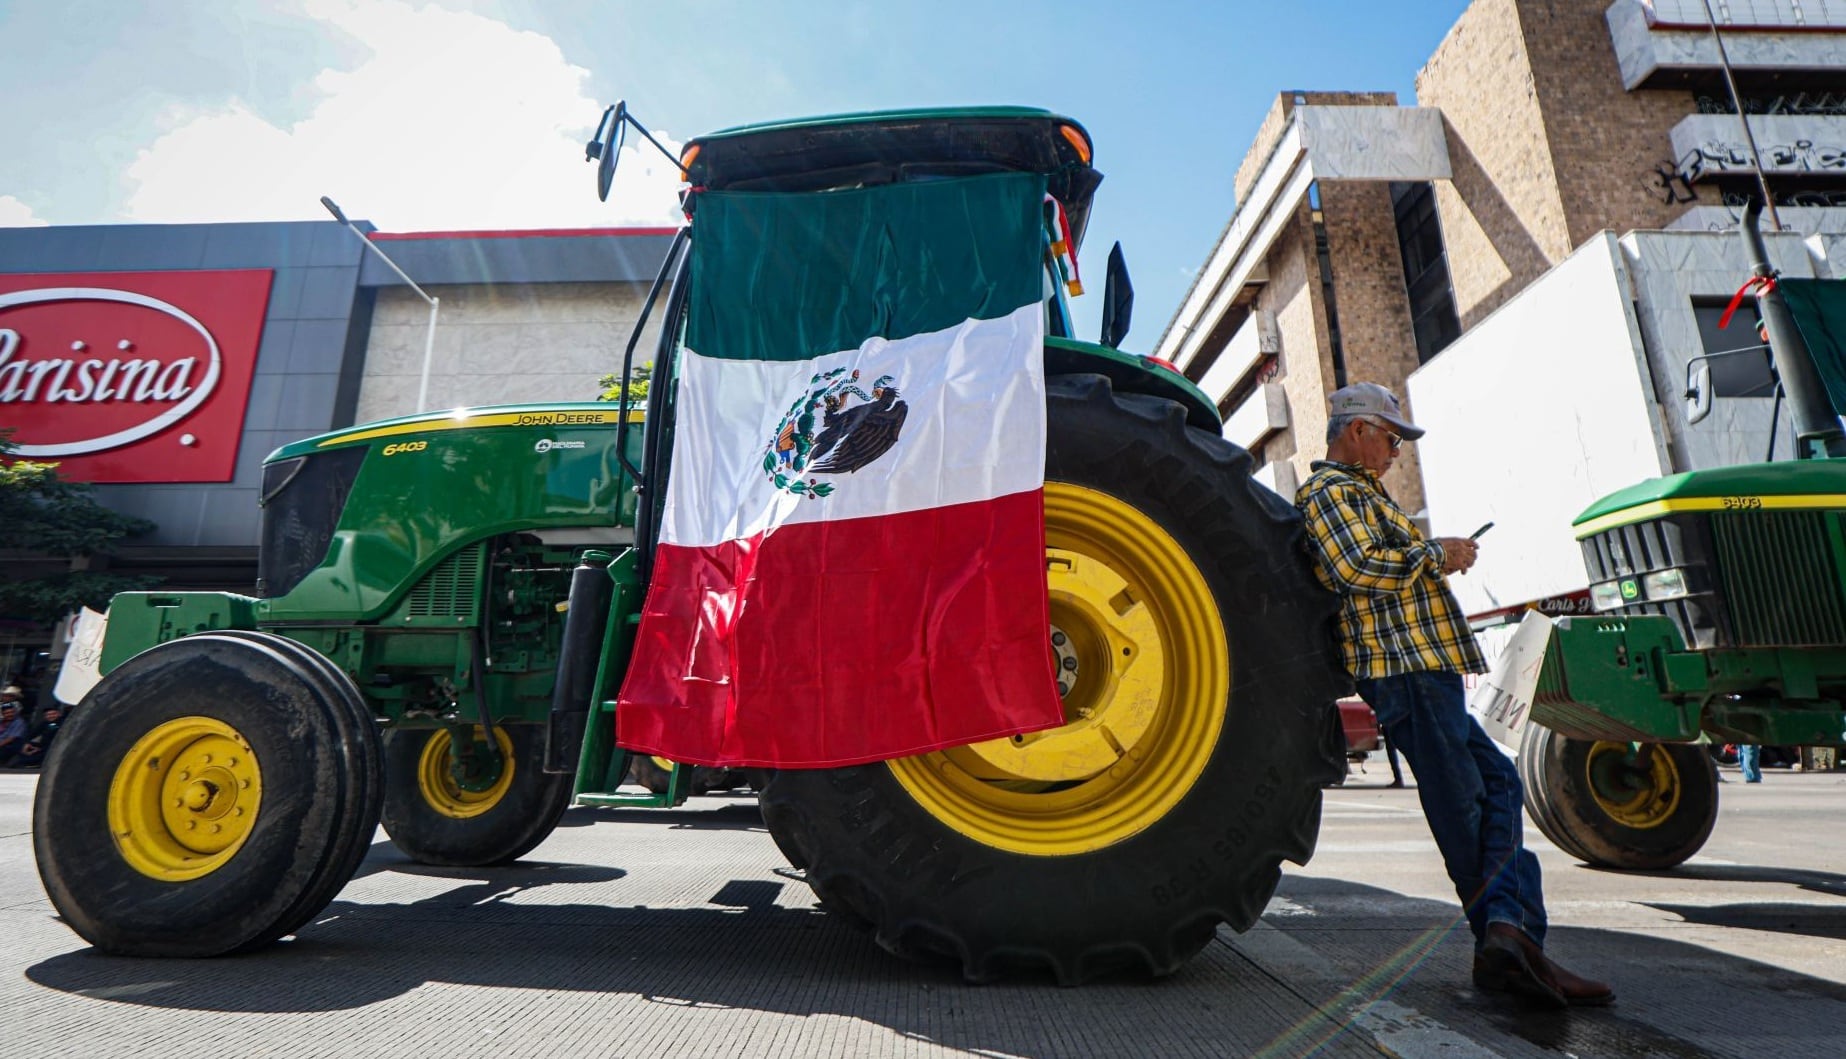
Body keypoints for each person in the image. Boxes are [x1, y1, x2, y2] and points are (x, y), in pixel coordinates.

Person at [1295, 382, 1613, 1009]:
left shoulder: (1361, 493)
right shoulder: (1329, 492)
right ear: (1357, 431)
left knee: (1495, 785)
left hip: (1424, 669)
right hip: (1405, 668)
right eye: (1391, 439)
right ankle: (1509, 941)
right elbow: (1354, 568)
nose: (1396, 453)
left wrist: (1431, 554)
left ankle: (1508, 937)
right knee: (1464, 805)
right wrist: (1435, 554)